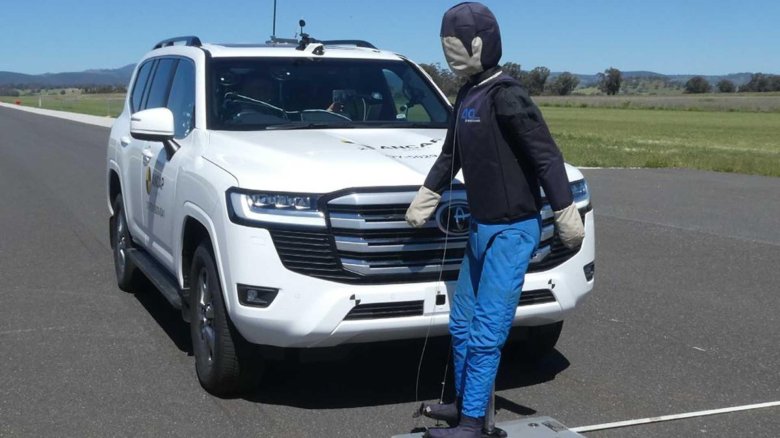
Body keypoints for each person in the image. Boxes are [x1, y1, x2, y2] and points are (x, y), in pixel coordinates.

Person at [405, 3, 585, 437]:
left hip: (512, 231)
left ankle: (473, 426)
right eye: (445, 47)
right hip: (480, 229)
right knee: (462, 321)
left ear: (480, 44)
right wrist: (428, 194)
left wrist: (564, 210)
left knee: (487, 328)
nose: (450, 55)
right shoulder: (467, 94)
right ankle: (466, 406)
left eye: (456, 46)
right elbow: (452, 155)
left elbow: (545, 155)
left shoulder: (508, 96)